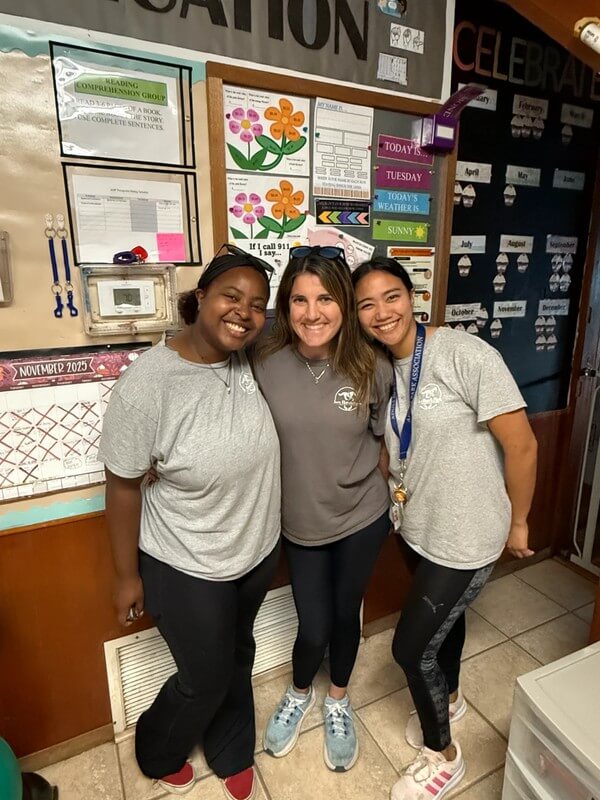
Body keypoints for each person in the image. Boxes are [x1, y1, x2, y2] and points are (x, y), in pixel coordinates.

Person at [98, 245, 281, 799]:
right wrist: (127, 576)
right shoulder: (150, 383)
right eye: (231, 296)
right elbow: (123, 486)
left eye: (256, 304)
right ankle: (157, 749)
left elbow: (319, 328)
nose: (242, 313)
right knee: (204, 676)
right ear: (200, 297)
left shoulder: (250, 356)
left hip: (254, 549)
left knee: (239, 653)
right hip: (185, 560)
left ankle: (230, 748)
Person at [352, 257, 537, 800]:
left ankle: (445, 756)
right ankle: (449, 695)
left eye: (391, 296)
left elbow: (522, 444)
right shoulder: (385, 367)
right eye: (367, 304)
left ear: (413, 297)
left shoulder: (463, 353)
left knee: (410, 650)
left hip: (467, 534)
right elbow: (397, 447)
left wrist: (520, 521)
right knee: (444, 627)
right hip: (419, 528)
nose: (381, 312)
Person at [255, 246, 393, 772]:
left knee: (343, 614)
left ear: (345, 304)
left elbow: (386, 441)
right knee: (312, 624)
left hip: (361, 515)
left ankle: (337, 698)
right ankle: (299, 692)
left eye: (326, 299)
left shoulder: (371, 364)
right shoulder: (265, 361)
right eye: (299, 300)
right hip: (301, 521)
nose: (312, 313)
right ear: (285, 306)